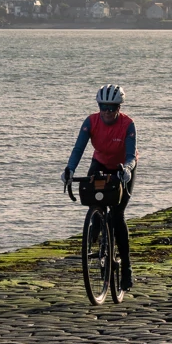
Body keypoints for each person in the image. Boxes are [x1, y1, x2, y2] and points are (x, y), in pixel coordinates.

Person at [61, 83, 137, 291]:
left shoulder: (128, 125)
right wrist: (69, 169)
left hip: (123, 168)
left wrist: (128, 168)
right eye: (103, 107)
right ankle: (96, 222)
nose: (107, 112)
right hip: (100, 163)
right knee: (94, 201)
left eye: (111, 108)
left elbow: (131, 154)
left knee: (118, 214)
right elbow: (78, 149)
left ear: (118, 109)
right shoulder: (91, 122)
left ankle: (127, 269)